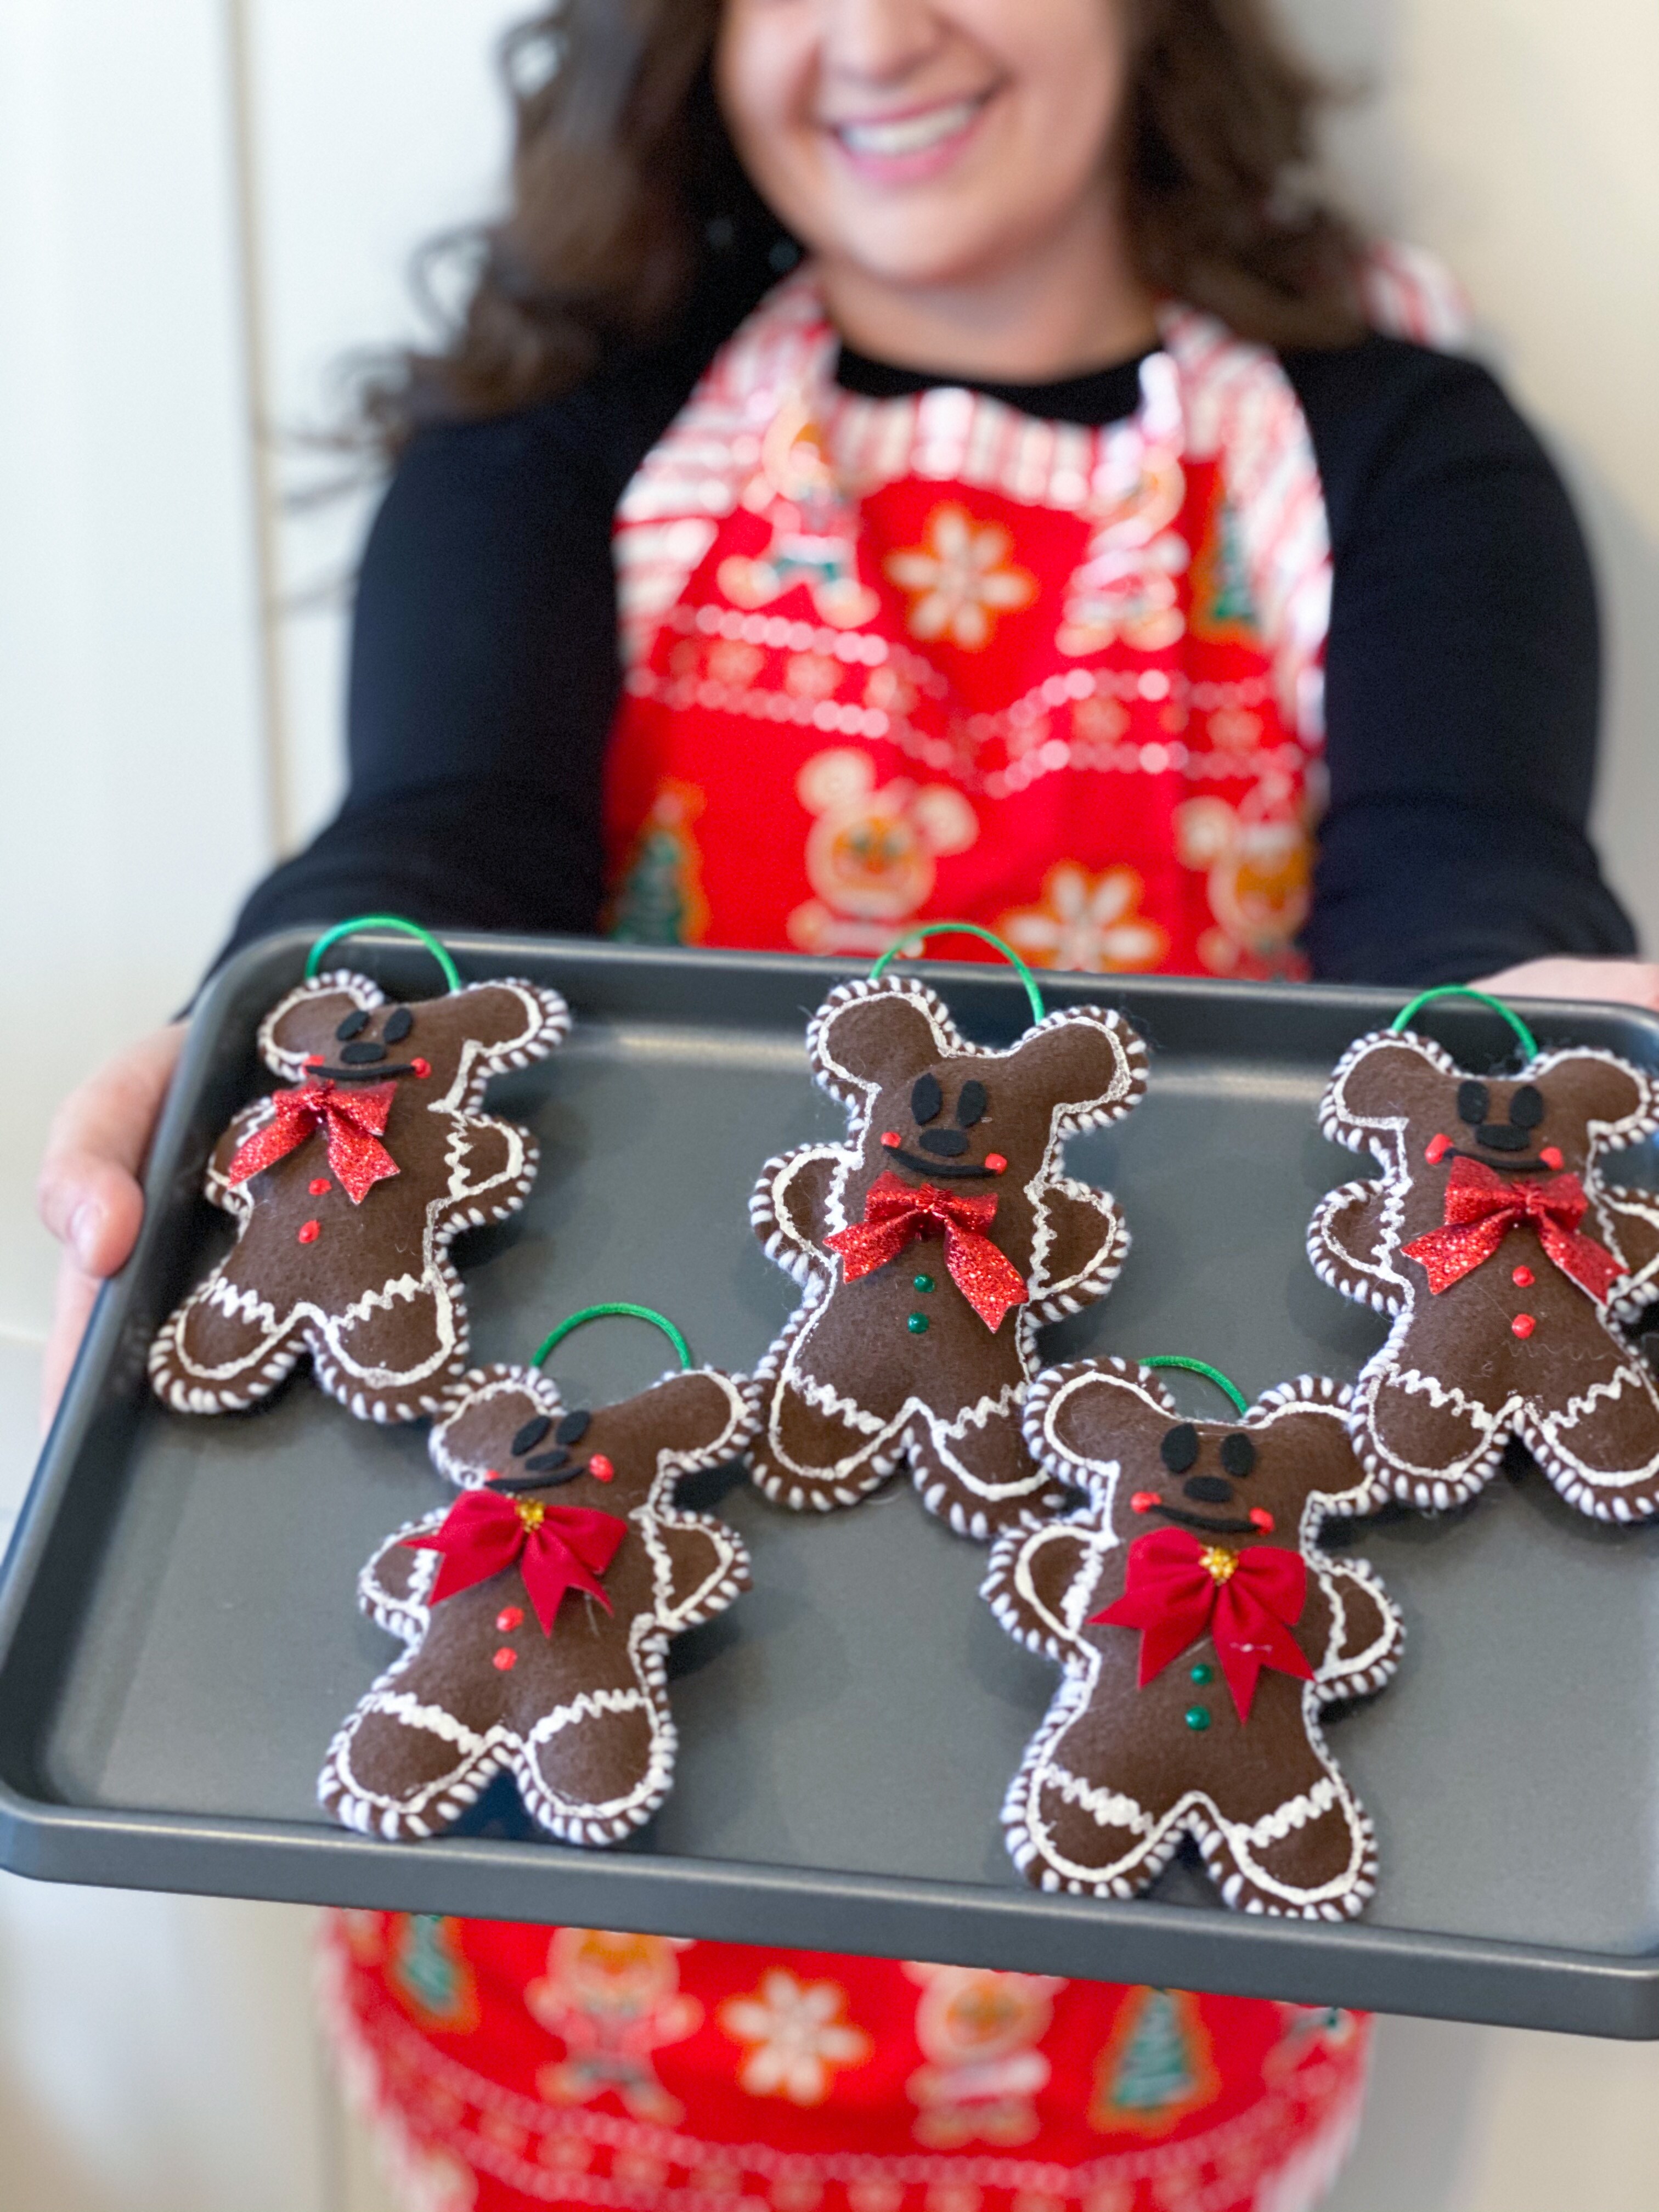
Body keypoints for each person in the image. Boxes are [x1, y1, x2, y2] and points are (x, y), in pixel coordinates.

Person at [35, 3, 1655, 2207]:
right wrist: (264, 1019)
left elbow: (1470, 896)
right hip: (565, 1877)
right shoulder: (561, 442)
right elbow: (430, 850)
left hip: (1158, 1844)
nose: (878, 30)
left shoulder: (1393, 458)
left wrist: (1565, 1026)